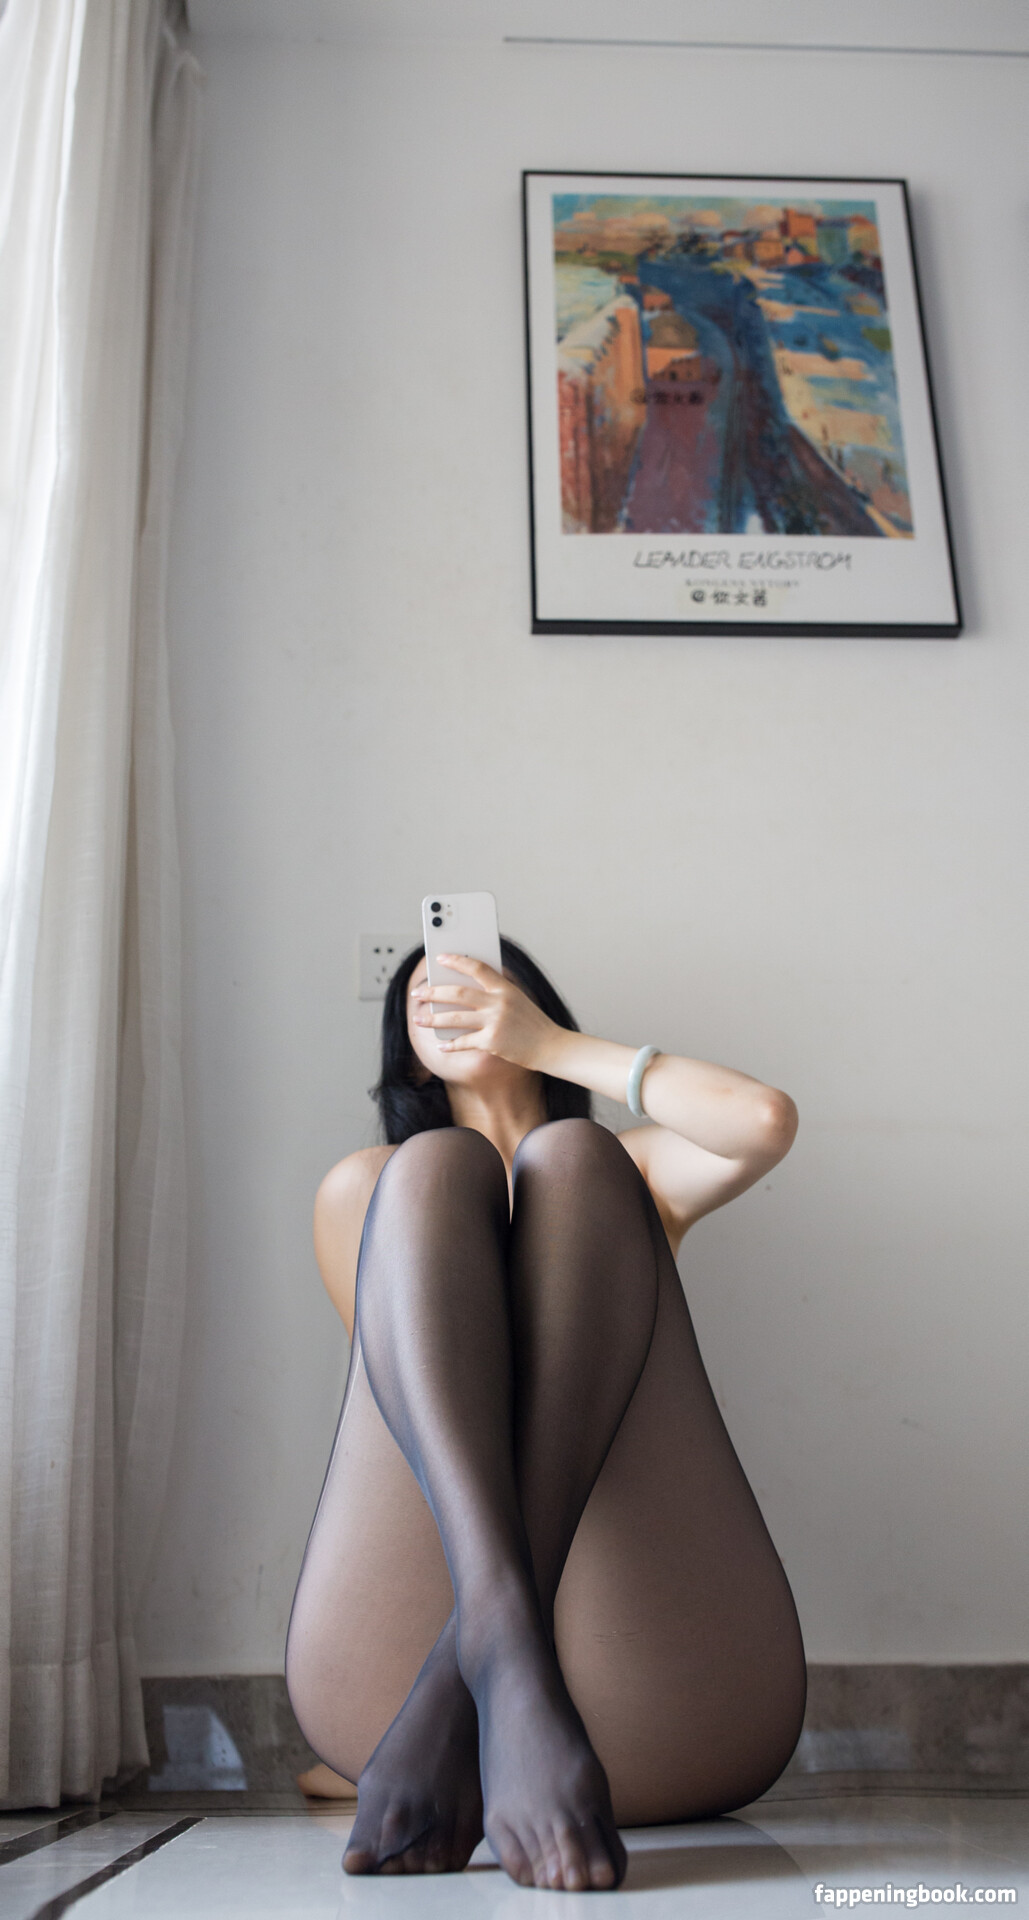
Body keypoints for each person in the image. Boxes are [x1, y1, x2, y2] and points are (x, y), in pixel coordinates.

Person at [285, 937, 806, 1893]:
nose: (456, 999)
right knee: (423, 1173)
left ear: (529, 1006)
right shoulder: (364, 1193)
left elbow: (763, 1121)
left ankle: (476, 1670)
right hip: (381, 1681)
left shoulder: (635, 1171)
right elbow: (408, 1454)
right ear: (408, 1056)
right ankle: (496, 1658)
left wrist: (552, 1048)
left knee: (572, 1161)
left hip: (661, 1704)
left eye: (483, 985)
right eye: (429, 996)